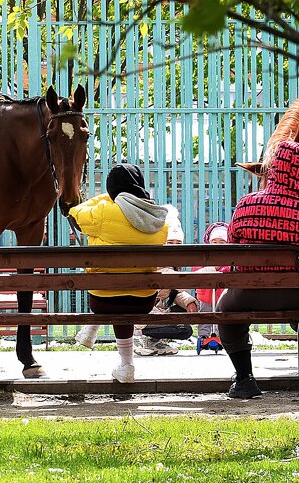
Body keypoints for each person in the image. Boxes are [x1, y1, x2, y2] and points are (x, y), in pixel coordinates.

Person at [217, 140, 299, 400]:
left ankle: (245, 379)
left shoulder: (246, 205)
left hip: (247, 295)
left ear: (274, 171)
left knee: (225, 310)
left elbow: (232, 250)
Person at [67, 163, 169, 383]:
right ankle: (126, 366)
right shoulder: (160, 220)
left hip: (102, 300)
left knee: (109, 282)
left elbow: (75, 212)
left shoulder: (104, 212)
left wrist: (106, 197)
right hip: (143, 300)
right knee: (125, 290)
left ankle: (102, 341)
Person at [133, 205, 199, 356]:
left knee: (184, 325)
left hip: (159, 312)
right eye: (170, 243)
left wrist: (189, 301)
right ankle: (141, 335)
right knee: (183, 328)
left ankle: (154, 340)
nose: (174, 248)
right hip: (146, 312)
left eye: (178, 244)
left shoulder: (174, 266)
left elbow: (175, 292)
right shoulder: (153, 264)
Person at [194, 222, 231, 354]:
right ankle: (203, 336)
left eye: (222, 242)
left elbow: (229, 269)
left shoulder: (229, 258)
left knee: (222, 316)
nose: (217, 244)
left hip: (222, 294)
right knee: (205, 315)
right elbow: (197, 270)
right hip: (206, 294)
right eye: (214, 241)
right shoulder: (204, 256)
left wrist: (222, 269)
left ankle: (222, 336)